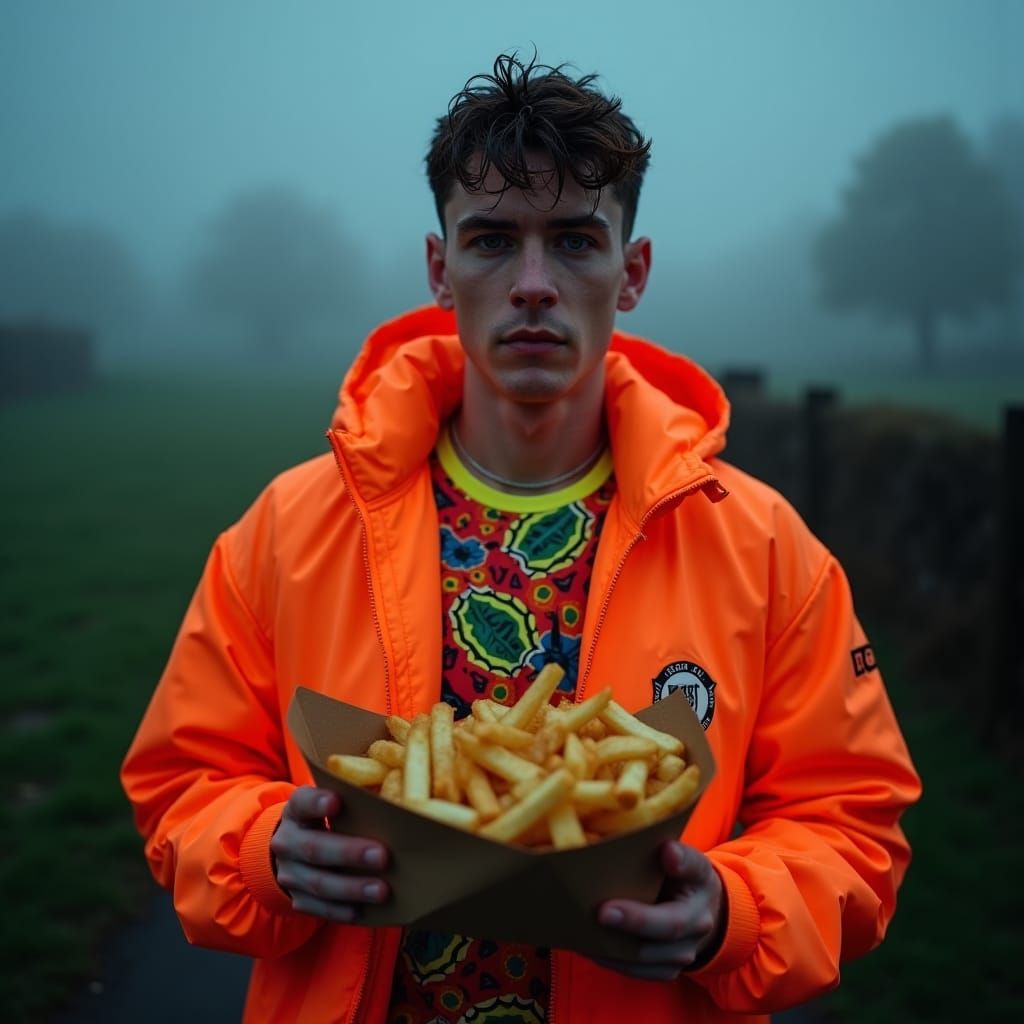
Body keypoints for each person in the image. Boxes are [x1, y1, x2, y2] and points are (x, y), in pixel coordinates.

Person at [122, 53, 921, 1024]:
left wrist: (735, 914)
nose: (533, 283)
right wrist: (259, 850)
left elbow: (855, 823)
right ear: (438, 267)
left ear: (631, 273)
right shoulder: (286, 529)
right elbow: (178, 783)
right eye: (493, 240)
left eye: (575, 242)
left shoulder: (761, 547)